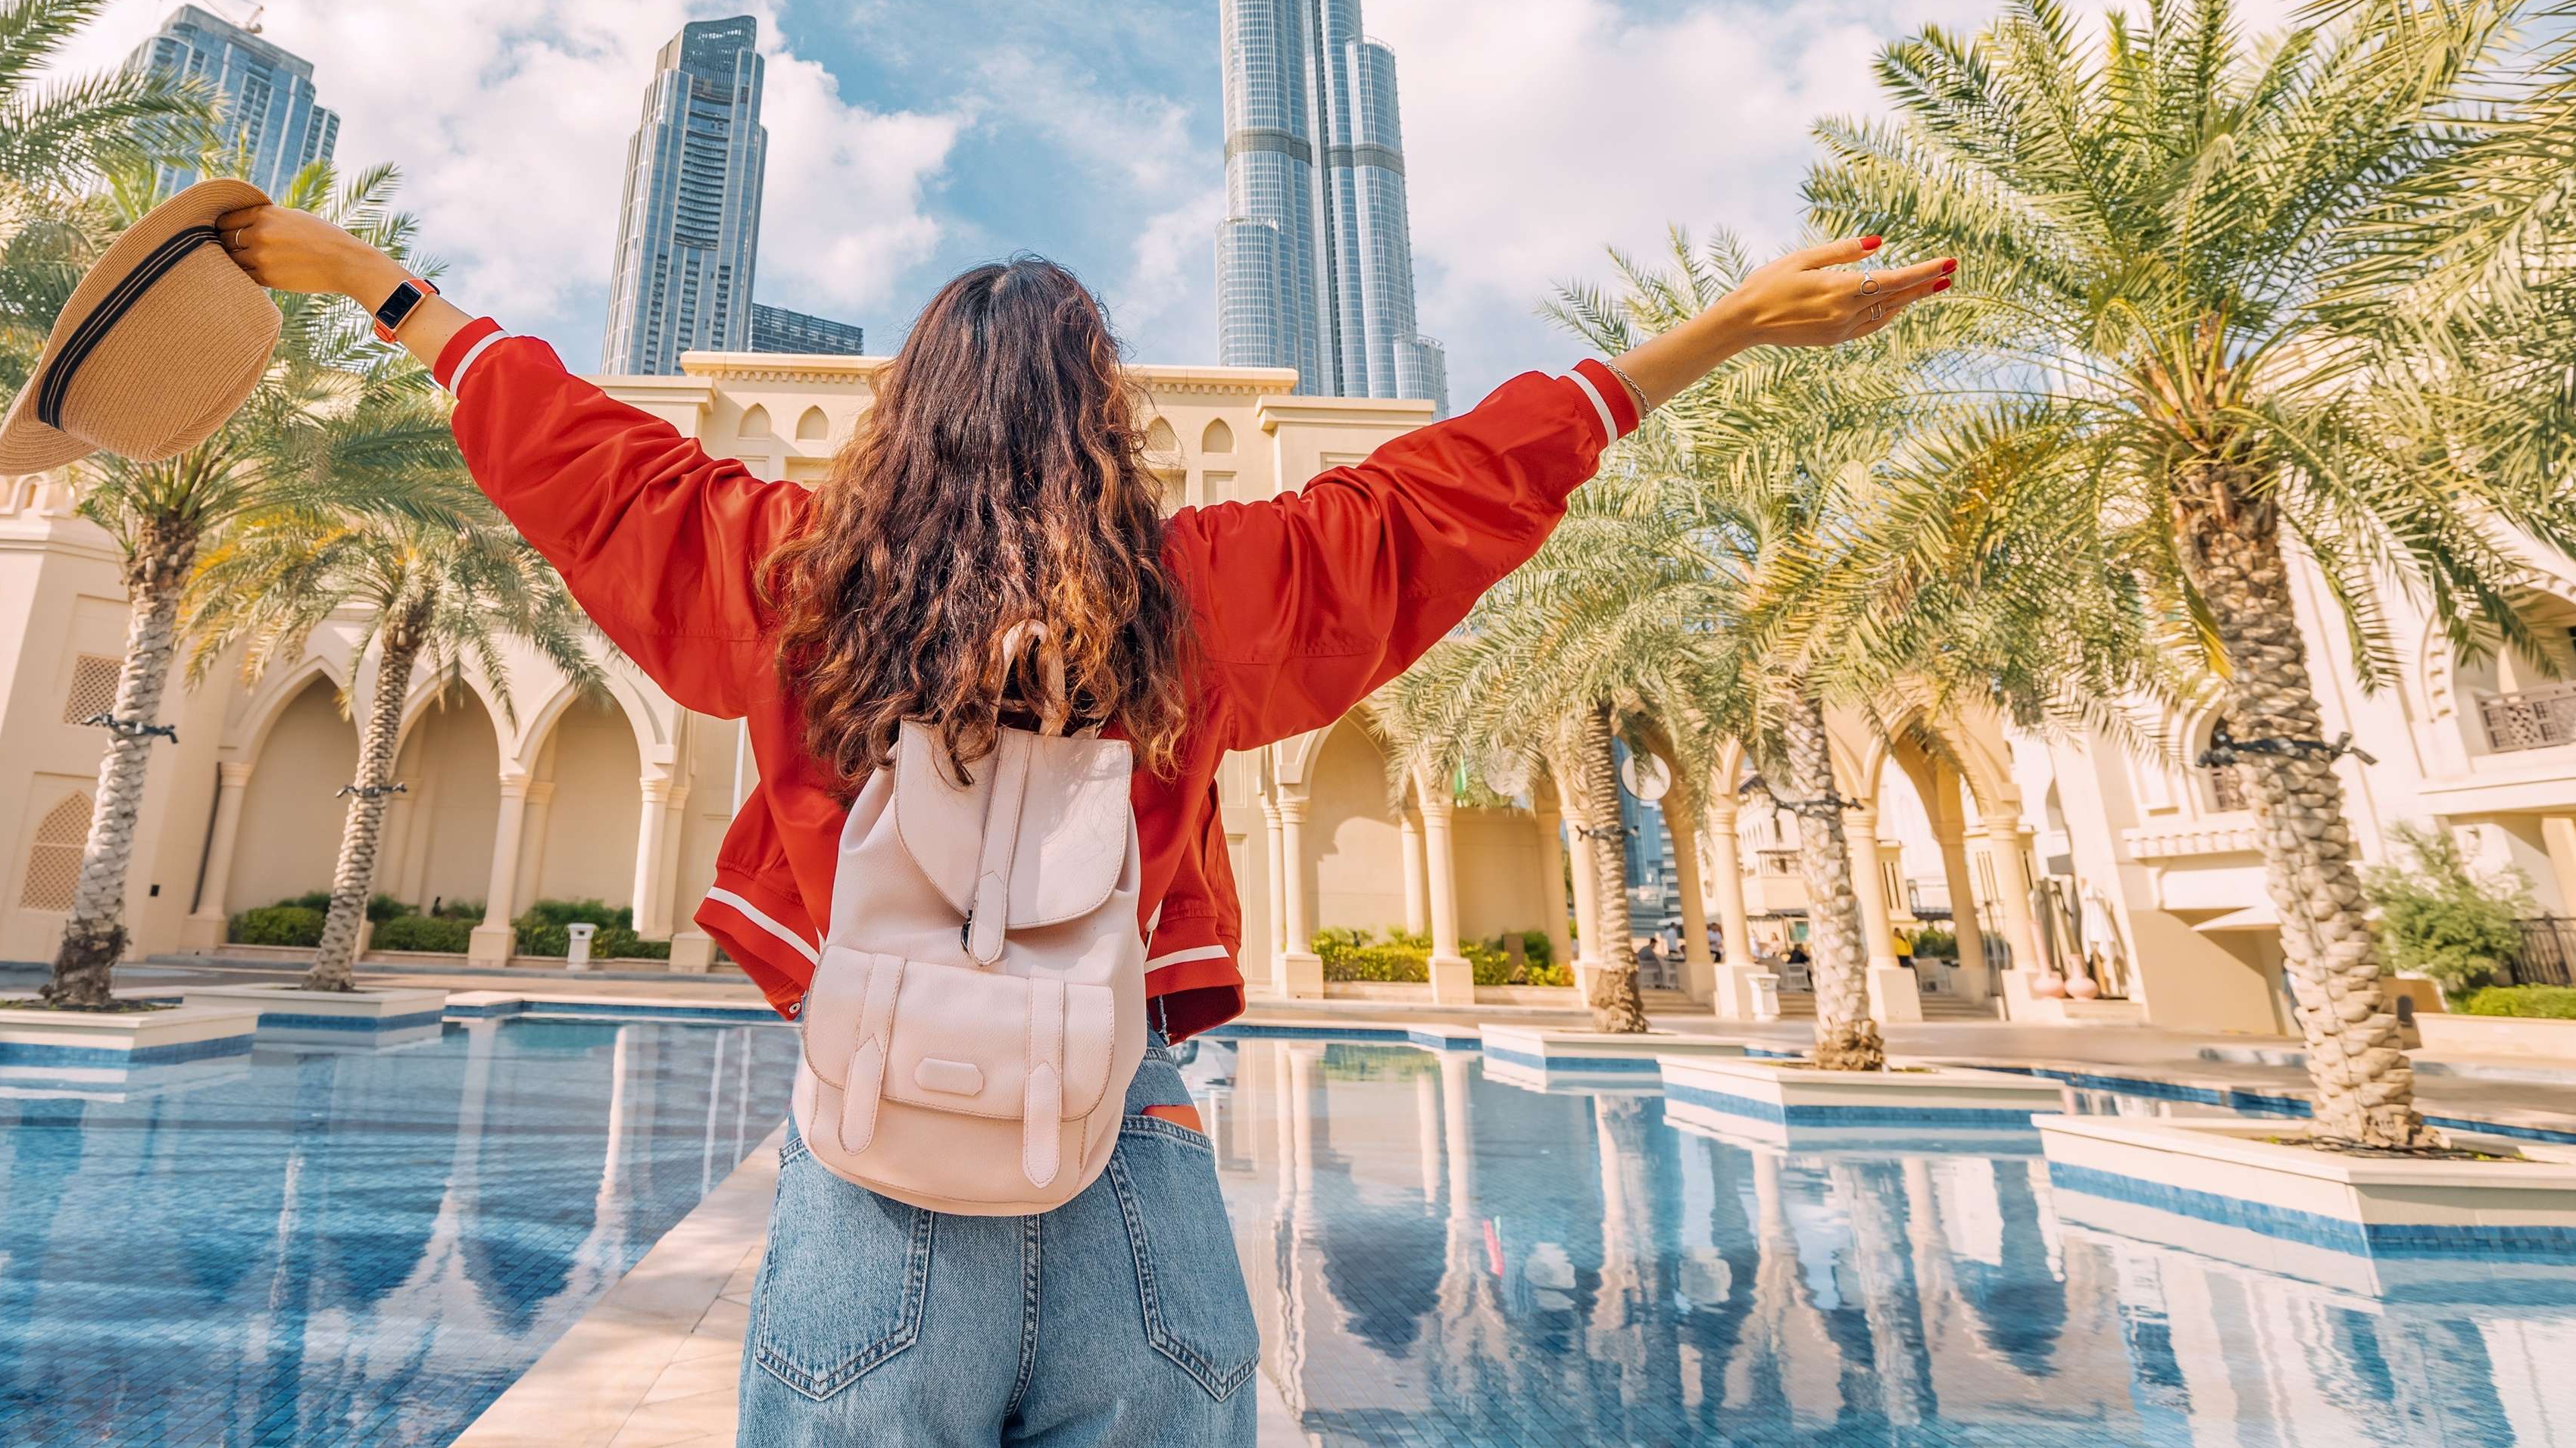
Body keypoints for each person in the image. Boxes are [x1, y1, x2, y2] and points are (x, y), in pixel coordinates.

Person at [214, 208, 1947, 1447]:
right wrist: (1710, 333)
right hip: (1132, 1157)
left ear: (904, 415)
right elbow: (1446, 494)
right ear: (1105, 415)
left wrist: (383, 287)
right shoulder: (1198, 598)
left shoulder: (793, 582)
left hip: (870, 1163)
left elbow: (582, 458)